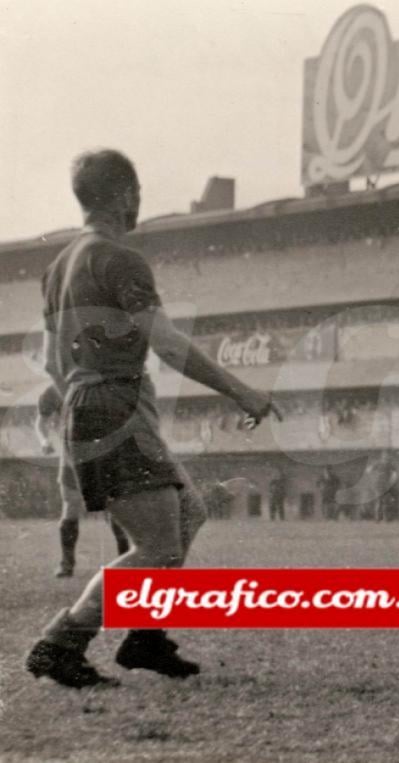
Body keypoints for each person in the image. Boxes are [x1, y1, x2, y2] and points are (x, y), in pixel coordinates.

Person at [25, 149, 281, 690]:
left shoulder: (58, 267)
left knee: (187, 512)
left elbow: (52, 361)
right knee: (160, 546)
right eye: (136, 193)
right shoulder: (118, 258)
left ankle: (144, 634)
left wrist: (83, 397)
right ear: (125, 195)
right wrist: (241, 391)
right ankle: (61, 642)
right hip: (114, 406)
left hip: (89, 401)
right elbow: (164, 342)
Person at [35, 384, 130, 577]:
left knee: (115, 508)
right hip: (72, 455)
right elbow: (41, 422)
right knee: (70, 505)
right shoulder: (53, 389)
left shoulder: (100, 384)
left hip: (104, 454)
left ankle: (126, 559)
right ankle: (66, 564)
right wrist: (44, 441)